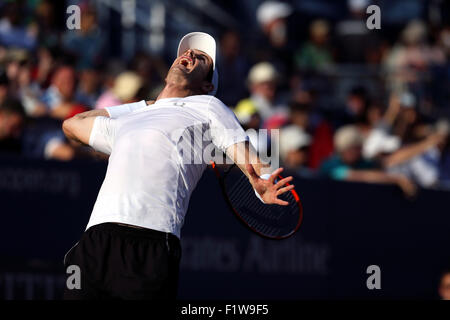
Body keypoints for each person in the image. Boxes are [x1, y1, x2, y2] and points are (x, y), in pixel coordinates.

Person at [62, 32, 294, 300]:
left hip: (150, 242)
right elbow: (72, 124)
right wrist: (145, 105)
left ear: (208, 85)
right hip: (95, 241)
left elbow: (247, 154)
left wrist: (260, 179)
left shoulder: (207, 106)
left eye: (202, 58)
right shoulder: (131, 119)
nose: (190, 54)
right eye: (186, 52)